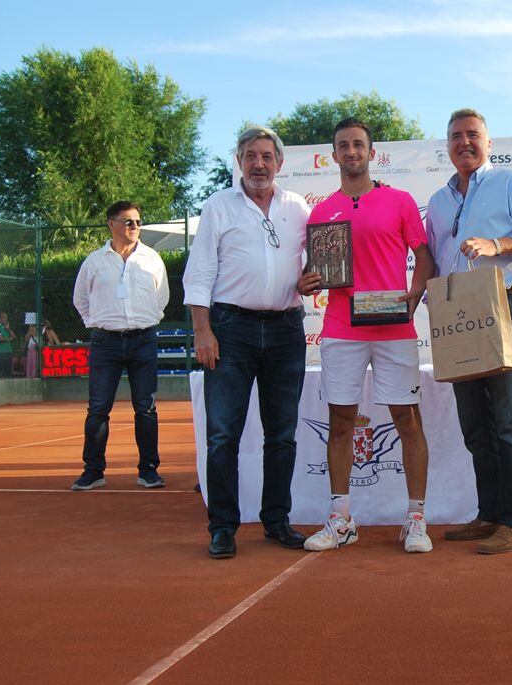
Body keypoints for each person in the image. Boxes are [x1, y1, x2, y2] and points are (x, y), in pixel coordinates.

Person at [298, 118, 436, 554]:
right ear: (334, 155)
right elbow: (317, 272)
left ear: (371, 153)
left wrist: (414, 297)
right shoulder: (321, 213)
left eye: (359, 144)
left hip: (395, 326)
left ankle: (415, 518)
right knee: (341, 422)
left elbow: (425, 258)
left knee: (407, 420)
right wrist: (308, 282)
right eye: (343, 146)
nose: (351, 151)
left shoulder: (399, 201)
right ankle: (341, 519)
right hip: (341, 328)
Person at [425, 108, 512, 554]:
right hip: (456, 316)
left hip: (507, 305)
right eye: (455, 136)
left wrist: (497, 244)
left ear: (488, 142)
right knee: (475, 426)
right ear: (446, 145)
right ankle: (489, 514)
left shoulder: (510, 182)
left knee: (508, 422)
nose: (464, 142)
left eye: (472, 135)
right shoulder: (439, 202)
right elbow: (434, 259)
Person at [183, 125, 312, 560]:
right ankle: (222, 527)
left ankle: (276, 521)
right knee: (222, 436)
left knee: (283, 435)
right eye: (250, 156)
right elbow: (199, 274)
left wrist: (312, 281)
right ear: (238, 162)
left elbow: (312, 266)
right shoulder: (218, 206)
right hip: (229, 330)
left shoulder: (298, 207)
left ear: (279, 163)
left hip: (285, 330)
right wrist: (203, 330)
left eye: (267, 156)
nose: (259, 164)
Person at [70, 201, 169, 492]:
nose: (135, 227)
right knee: (98, 408)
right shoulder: (94, 261)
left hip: (143, 340)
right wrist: (97, 323)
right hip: (105, 342)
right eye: (128, 222)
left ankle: (149, 470)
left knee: (146, 408)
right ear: (111, 224)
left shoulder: (152, 259)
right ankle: (93, 471)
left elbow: (162, 297)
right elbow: (80, 300)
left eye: (138, 222)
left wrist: (146, 320)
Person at [0, 311, 15, 378]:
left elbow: (14, 337)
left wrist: (8, 329)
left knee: (7, 373)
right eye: (4, 317)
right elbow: (0, 339)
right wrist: (10, 339)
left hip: (8, 352)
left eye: (6, 317)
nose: (6, 319)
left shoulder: (5, 327)